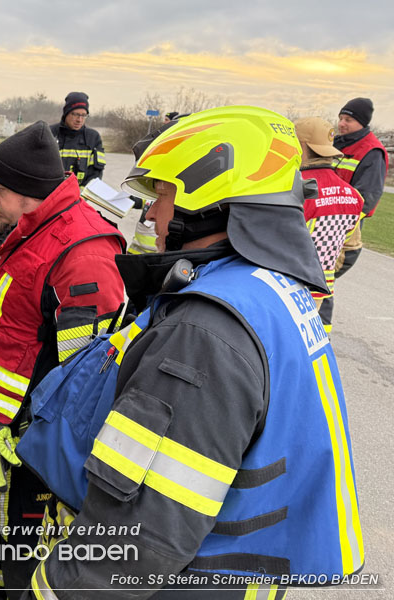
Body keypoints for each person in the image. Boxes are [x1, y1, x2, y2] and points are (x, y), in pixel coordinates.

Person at [26, 106, 363, 599]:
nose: (152, 213)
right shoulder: (266, 289)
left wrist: (55, 591)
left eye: (162, 195)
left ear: (209, 203)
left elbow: (141, 534)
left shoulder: (203, 334)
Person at [0, 121, 126, 599]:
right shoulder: (24, 226)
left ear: (25, 193)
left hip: (33, 433)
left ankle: (13, 593)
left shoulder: (80, 253)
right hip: (2, 419)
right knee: (2, 514)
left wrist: (32, 437)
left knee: (29, 527)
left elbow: (82, 380)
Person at [320, 97, 390, 330]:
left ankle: (320, 339)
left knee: (319, 282)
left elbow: (367, 199)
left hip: (342, 231)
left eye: (348, 119)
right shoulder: (336, 144)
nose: (342, 123)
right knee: (314, 281)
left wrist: (339, 220)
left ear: (362, 122)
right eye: (341, 118)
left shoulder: (371, 152)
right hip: (321, 223)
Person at [295, 117, 364, 319]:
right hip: (319, 297)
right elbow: (351, 250)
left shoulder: (293, 189)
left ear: (300, 146)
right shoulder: (353, 196)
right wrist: (324, 275)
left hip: (284, 293)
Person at [50, 92, 105, 187]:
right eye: (75, 114)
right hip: (51, 195)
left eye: (83, 115)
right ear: (66, 113)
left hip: (79, 197)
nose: (79, 120)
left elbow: (95, 174)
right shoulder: (49, 133)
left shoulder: (93, 138)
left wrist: (79, 194)